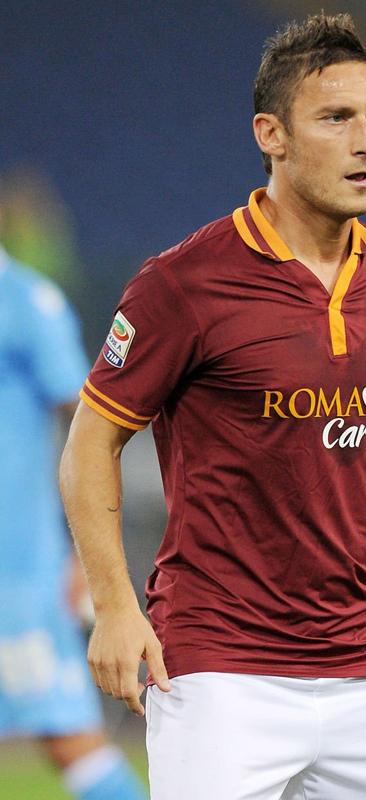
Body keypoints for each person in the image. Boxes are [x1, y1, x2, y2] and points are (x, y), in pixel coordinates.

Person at [60, 12, 366, 800]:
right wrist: (112, 606)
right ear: (270, 134)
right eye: (335, 118)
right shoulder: (183, 285)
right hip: (218, 672)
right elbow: (89, 443)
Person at [0, 240, 147, 799]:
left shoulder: (24, 301)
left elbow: (91, 432)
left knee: (67, 735)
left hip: (14, 569)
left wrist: (84, 555)